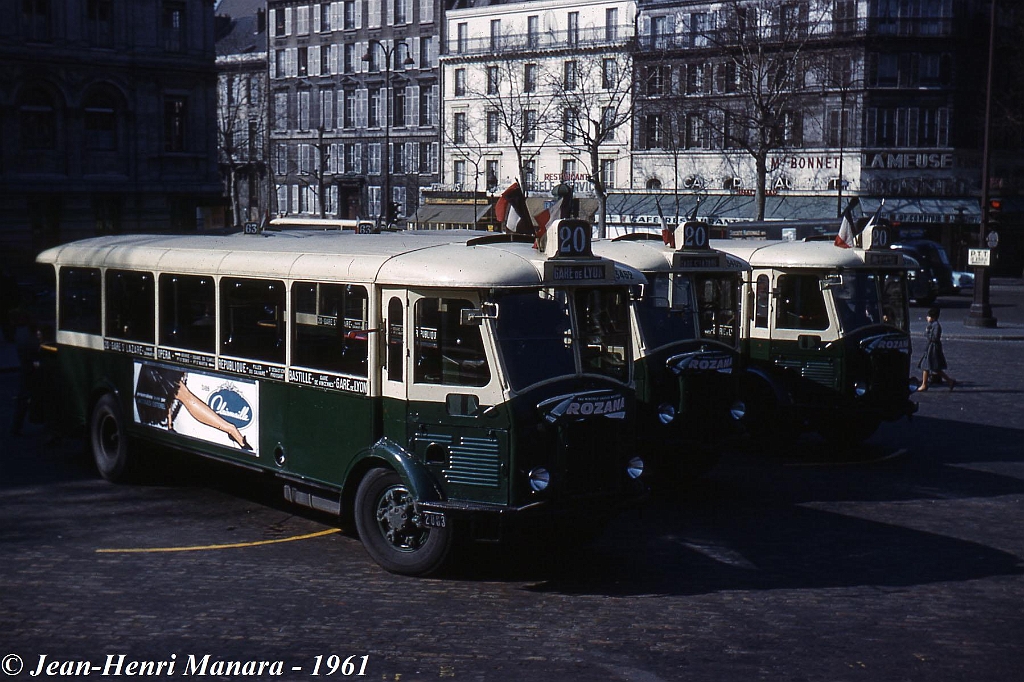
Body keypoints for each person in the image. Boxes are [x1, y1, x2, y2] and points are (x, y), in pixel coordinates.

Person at [917, 307, 957, 392]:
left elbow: (934, 338)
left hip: (933, 349)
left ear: (933, 317)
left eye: (928, 316)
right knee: (932, 367)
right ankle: (949, 381)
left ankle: (925, 384)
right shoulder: (932, 325)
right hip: (930, 348)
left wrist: (927, 332)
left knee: (928, 366)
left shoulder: (936, 326)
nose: (927, 318)